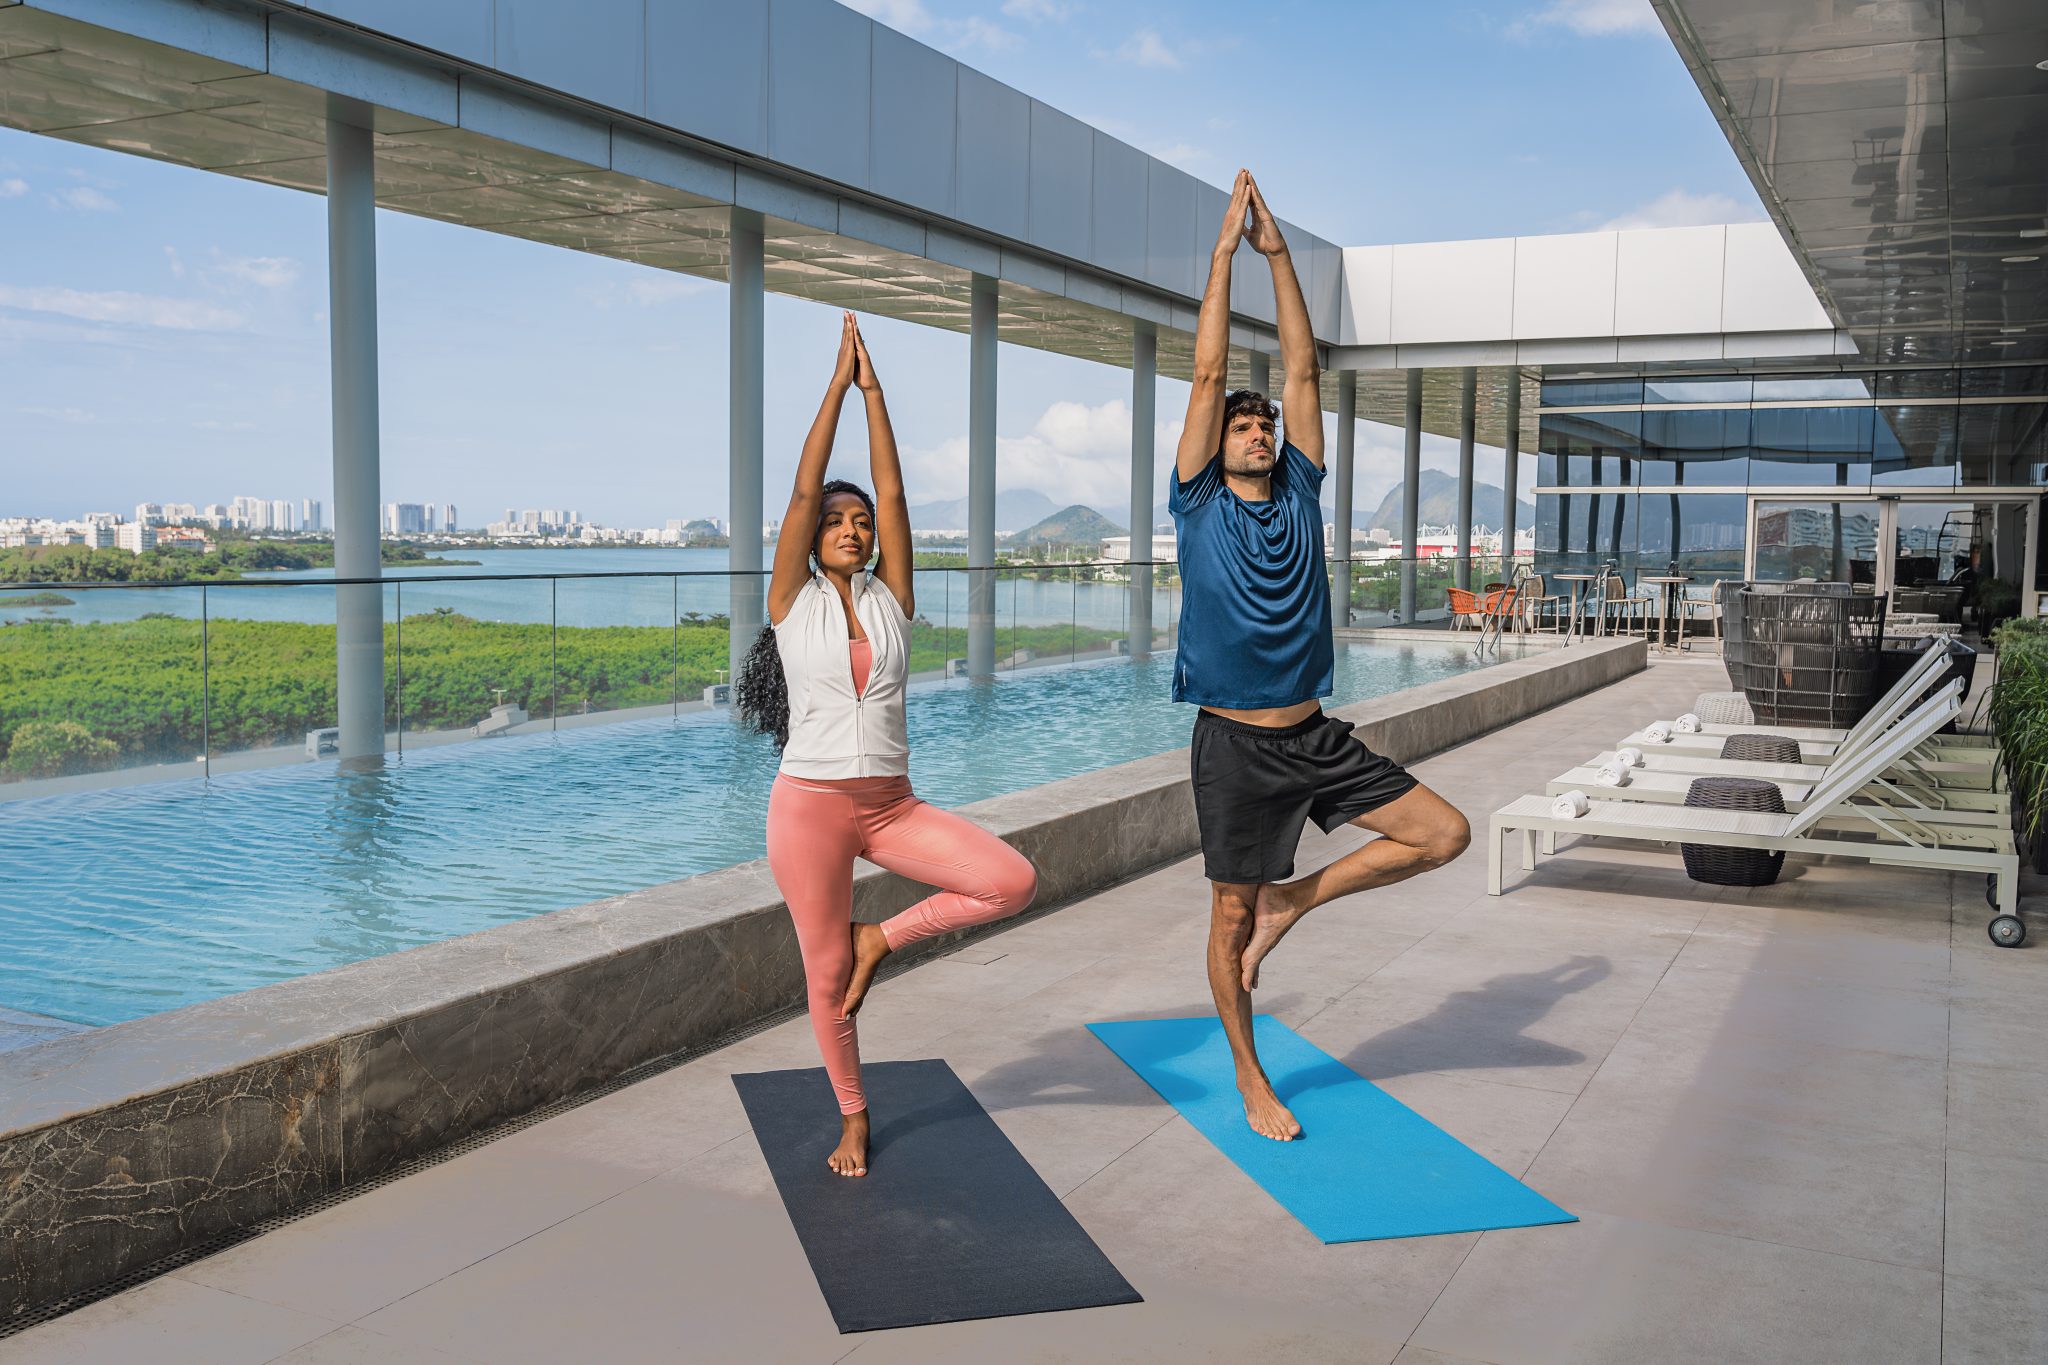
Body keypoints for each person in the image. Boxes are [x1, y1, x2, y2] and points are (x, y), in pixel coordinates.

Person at [1172, 172, 1471, 1142]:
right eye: (1241, 426)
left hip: (1312, 736)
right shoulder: (1196, 502)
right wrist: (1220, 258)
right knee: (1225, 922)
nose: (1256, 431)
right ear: (1214, 445)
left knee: (1441, 835)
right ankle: (1252, 1081)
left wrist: (1277, 258)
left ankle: (1296, 897)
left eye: (1264, 426)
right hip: (1230, 745)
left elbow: (1302, 373)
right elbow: (1209, 373)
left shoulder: (1300, 490)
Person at [736, 312, 1038, 1178]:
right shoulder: (790, 601)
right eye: (838, 519)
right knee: (825, 976)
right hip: (811, 806)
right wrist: (835, 388)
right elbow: (798, 494)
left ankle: (884, 940)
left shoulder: (890, 596)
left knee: (1009, 880)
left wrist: (878, 398)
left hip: (893, 803)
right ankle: (854, 1116)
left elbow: (897, 493)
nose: (853, 527)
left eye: (860, 520)